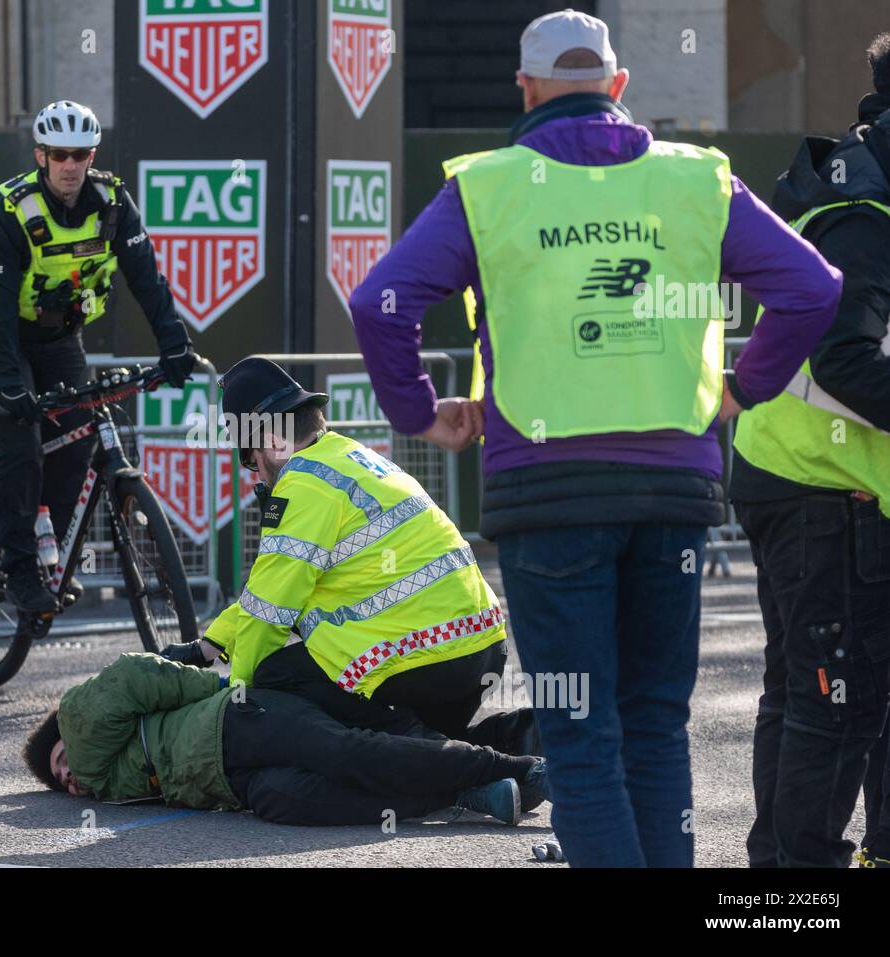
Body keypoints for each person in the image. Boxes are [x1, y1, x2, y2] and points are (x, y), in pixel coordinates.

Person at [349, 9, 842, 866]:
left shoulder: (490, 185)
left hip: (547, 499)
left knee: (580, 736)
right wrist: (741, 390)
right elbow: (812, 286)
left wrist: (425, 413)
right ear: (618, 87)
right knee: (656, 726)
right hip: (671, 497)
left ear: (526, 89)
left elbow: (378, 302)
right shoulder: (695, 181)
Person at [163, 357, 539, 771]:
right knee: (425, 740)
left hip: (423, 660)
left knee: (276, 677)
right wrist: (210, 645)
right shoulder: (353, 458)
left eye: (251, 458)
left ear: (271, 441)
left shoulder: (304, 485)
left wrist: (234, 699)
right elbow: (266, 596)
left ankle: (452, 767)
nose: (258, 472)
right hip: (478, 648)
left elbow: (269, 615)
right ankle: (532, 737)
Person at [729, 33, 890, 869]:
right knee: (835, 703)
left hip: (792, 472)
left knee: (805, 692)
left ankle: (781, 884)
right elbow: (847, 361)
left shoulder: (853, 185)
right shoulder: (866, 215)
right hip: (823, 484)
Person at [0, 100, 196, 616]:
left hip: (61, 337)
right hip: (0, 336)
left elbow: (147, 280)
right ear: (41, 155)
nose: (71, 166)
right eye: (60, 155)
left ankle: (54, 552)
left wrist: (174, 344)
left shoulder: (113, 203)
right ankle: (21, 570)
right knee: (22, 445)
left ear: (93, 156)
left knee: (76, 441)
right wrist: (8, 386)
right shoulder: (11, 209)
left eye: (81, 155)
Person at [23, 652, 549, 826]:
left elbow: (136, 673)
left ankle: (519, 768)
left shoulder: (84, 717)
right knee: (301, 799)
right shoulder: (109, 783)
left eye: (61, 760)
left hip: (234, 720)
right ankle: (467, 790)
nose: (69, 777)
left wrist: (224, 689)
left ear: (66, 733)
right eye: (61, 782)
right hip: (239, 786)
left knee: (351, 754)